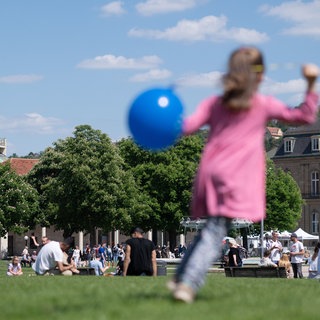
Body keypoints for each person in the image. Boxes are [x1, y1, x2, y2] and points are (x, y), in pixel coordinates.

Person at [168, 46, 319, 303]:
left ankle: (180, 276)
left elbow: (187, 127)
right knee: (216, 230)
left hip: (211, 171)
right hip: (236, 175)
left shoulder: (215, 103)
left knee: (210, 229)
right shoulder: (262, 103)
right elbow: (303, 115)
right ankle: (188, 283)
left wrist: (167, 109)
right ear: (260, 77)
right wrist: (311, 83)